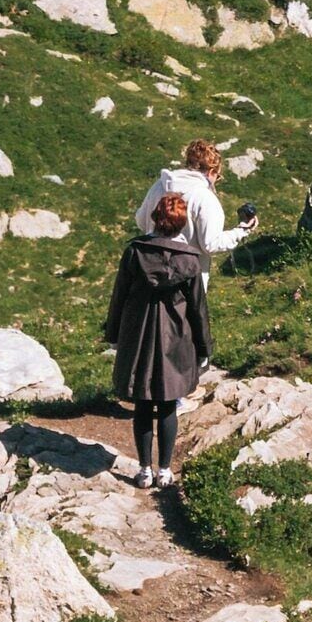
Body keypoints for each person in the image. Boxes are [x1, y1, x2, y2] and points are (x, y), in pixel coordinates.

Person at [104, 191, 214, 487]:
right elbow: (197, 310)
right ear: (181, 224)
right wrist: (204, 347)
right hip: (176, 339)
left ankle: (143, 470)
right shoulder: (190, 260)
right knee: (167, 404)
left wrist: (113, 334)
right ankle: (165, 470)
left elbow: (120, 296)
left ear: (155, 218)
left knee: (142, 403)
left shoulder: (135, 252)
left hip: (138, 334)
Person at [131, 140, 257, 261]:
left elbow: (141, 221)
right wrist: (241, 231)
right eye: (217, 177)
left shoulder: (160, 185)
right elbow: (211, 244)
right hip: (187, 275)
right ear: (212, 172)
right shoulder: (204, 197)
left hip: (150, 270)